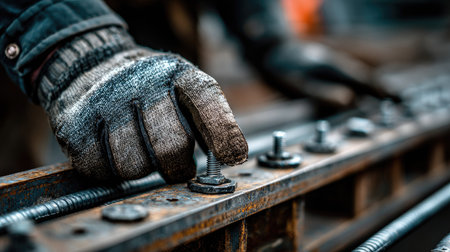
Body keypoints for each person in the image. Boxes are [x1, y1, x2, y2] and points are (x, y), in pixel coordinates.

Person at [0, 0, 385, 182]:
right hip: (25, 27)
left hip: (162, 16)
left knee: (173, 125)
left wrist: (266, 35)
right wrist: (67, 45)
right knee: (29, 181)